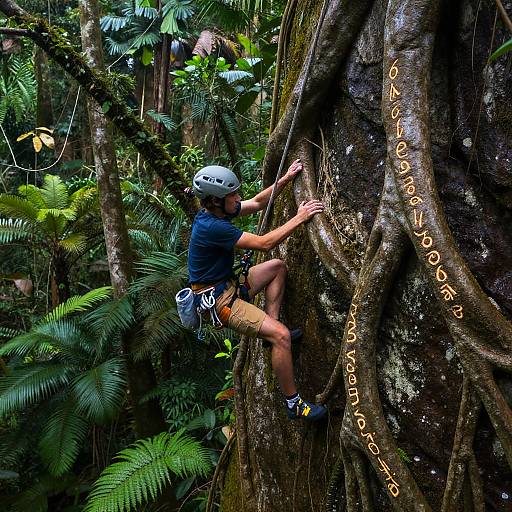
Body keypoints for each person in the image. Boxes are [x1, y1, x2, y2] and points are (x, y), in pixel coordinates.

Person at [187, 160, 327, 421]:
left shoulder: (217, 211)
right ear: (217, 200)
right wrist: (300, 217)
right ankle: (294, 404)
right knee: (283, 336)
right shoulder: (212, 227)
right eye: (233, 195)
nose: (238, 198)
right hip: (220, 302)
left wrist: (285, 178)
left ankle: (270, 329)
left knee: (277, 268)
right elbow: (264, 243)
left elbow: (258, 203)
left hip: (228, 285)